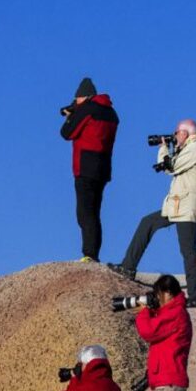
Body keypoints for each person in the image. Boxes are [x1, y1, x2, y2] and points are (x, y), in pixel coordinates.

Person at [110, 119, 196, 307]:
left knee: (188, 250)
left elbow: (172, 166)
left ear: (185, 133)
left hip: (187, 206)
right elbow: (168, 168)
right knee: (147, 223)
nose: (174, 136)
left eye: (176, 133)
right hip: (176, 205)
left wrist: (166, 149)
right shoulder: (188, 148)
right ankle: (128, 267)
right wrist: (165, 149)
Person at [59, 77, 119, 263]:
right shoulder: (111, 113)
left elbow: (66, 133)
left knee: (85, 213)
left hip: (85, 166)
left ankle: (89, 254)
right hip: (103, 167)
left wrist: (71, 115)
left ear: (82, 97)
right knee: (94, 212)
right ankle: (93, 253)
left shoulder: (87, 109)